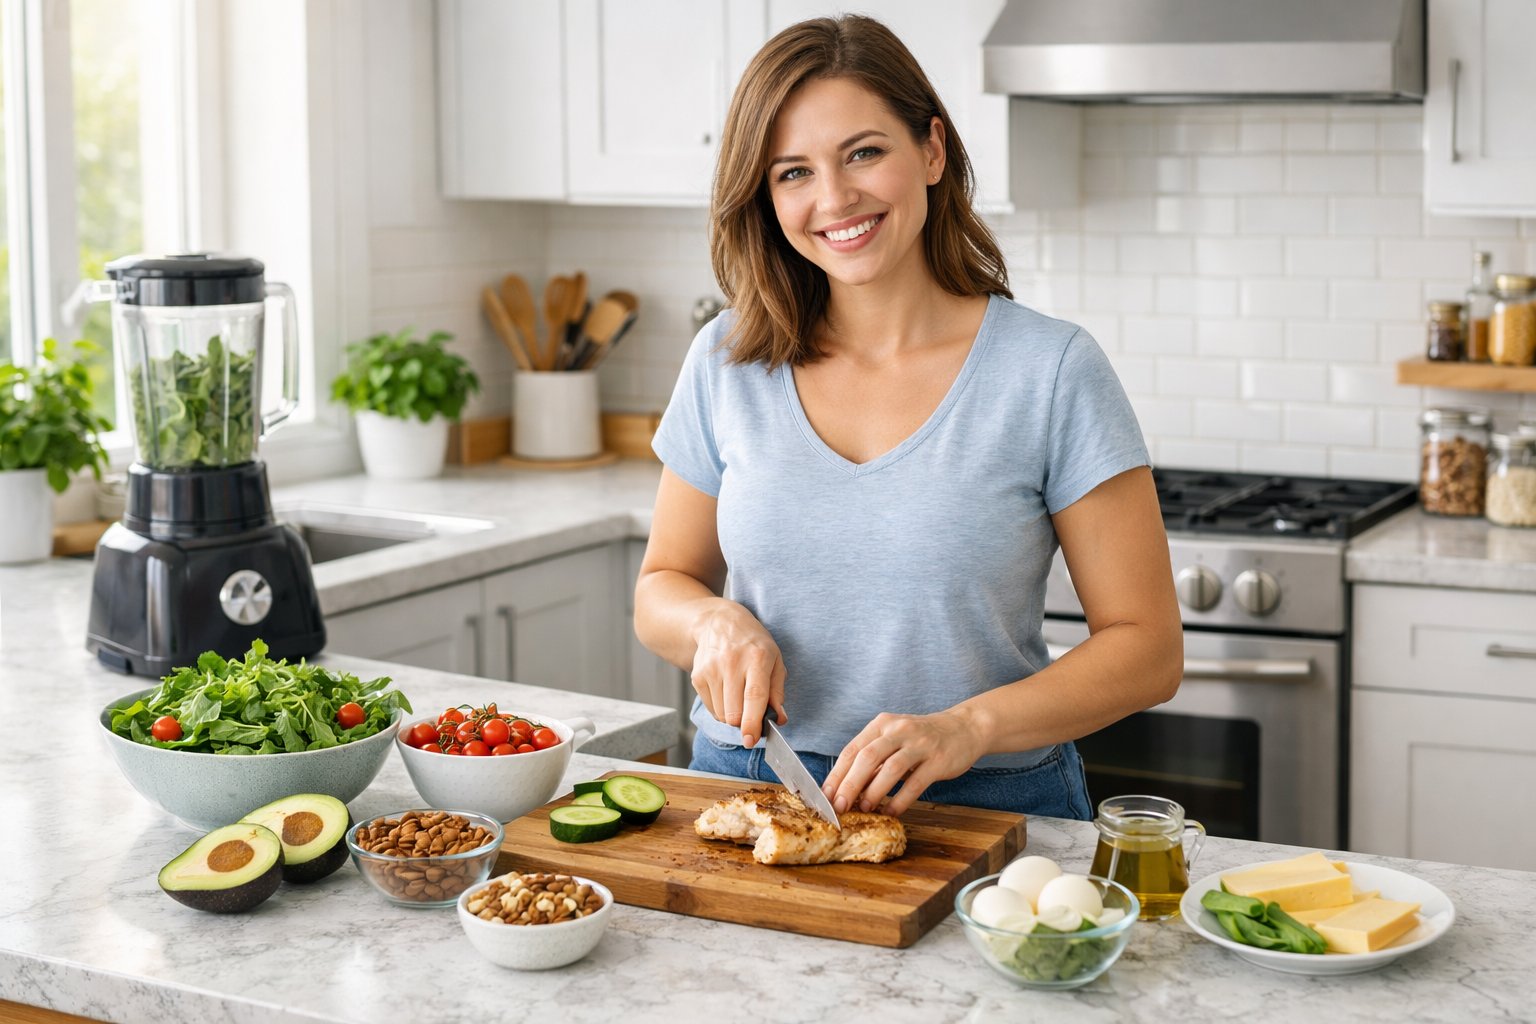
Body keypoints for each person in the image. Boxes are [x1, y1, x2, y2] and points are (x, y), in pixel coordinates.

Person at [634, 15, 1182, 820]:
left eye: (863, 152)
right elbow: (660, 587)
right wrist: (711, 622)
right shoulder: (727, 359)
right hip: (747, 791)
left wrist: (970, 725)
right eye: (792, 172)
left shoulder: (1049, 369)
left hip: (992, 805)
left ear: (930, 150)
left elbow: (1148, 649)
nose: (834, 198)